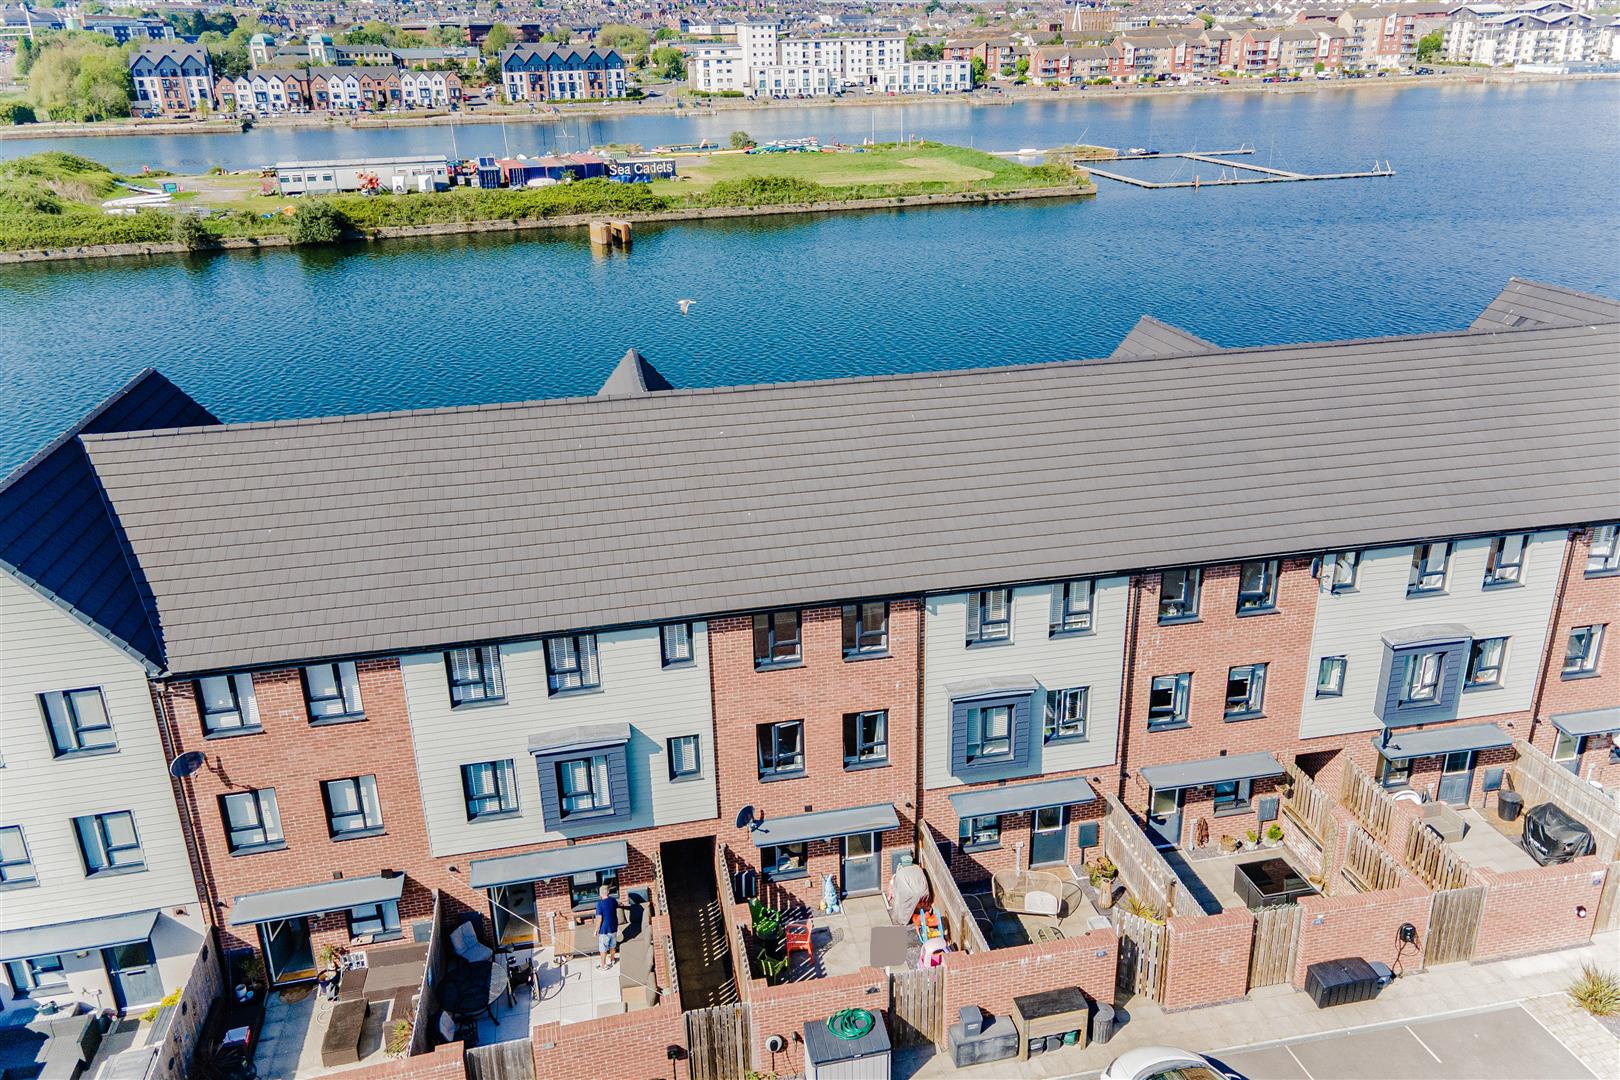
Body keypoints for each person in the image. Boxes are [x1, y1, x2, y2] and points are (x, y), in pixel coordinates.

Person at [594, 885, 622, 969]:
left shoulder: (599, 904)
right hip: (614, 927)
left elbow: (599, 918)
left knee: (603, 948)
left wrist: (596, 930)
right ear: (608, 892)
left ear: (600, 894)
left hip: (604, 930)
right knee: (612, 945)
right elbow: (618, 904)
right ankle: (613, 959)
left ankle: (603, 965)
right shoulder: (613, 900)